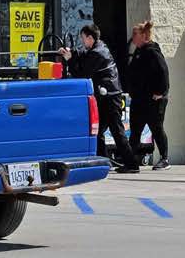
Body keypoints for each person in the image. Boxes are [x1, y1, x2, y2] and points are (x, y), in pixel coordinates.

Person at [60, 24, 140, 173]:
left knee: (117, 131)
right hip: (106, 96)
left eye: (83, 38)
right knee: (98, 131)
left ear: (90, 38)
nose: (82, 41)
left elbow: (82, 73)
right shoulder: (98, 47)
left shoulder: (98, 53)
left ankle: (132, 164)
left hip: (110, 98)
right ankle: (103, 161)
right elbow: (84, 54)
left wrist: (69, 60)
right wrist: (72, 52)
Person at [124, 20, 171, 171]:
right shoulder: (139, 51)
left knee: (157, 128)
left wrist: (160, 92)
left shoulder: (152, 51)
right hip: (139, 99)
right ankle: (132, 163)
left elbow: (163, 72)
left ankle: (164, 159)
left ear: (144, 36)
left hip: (152, 100)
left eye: (135, 35)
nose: (133, 38)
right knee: (135, 132)